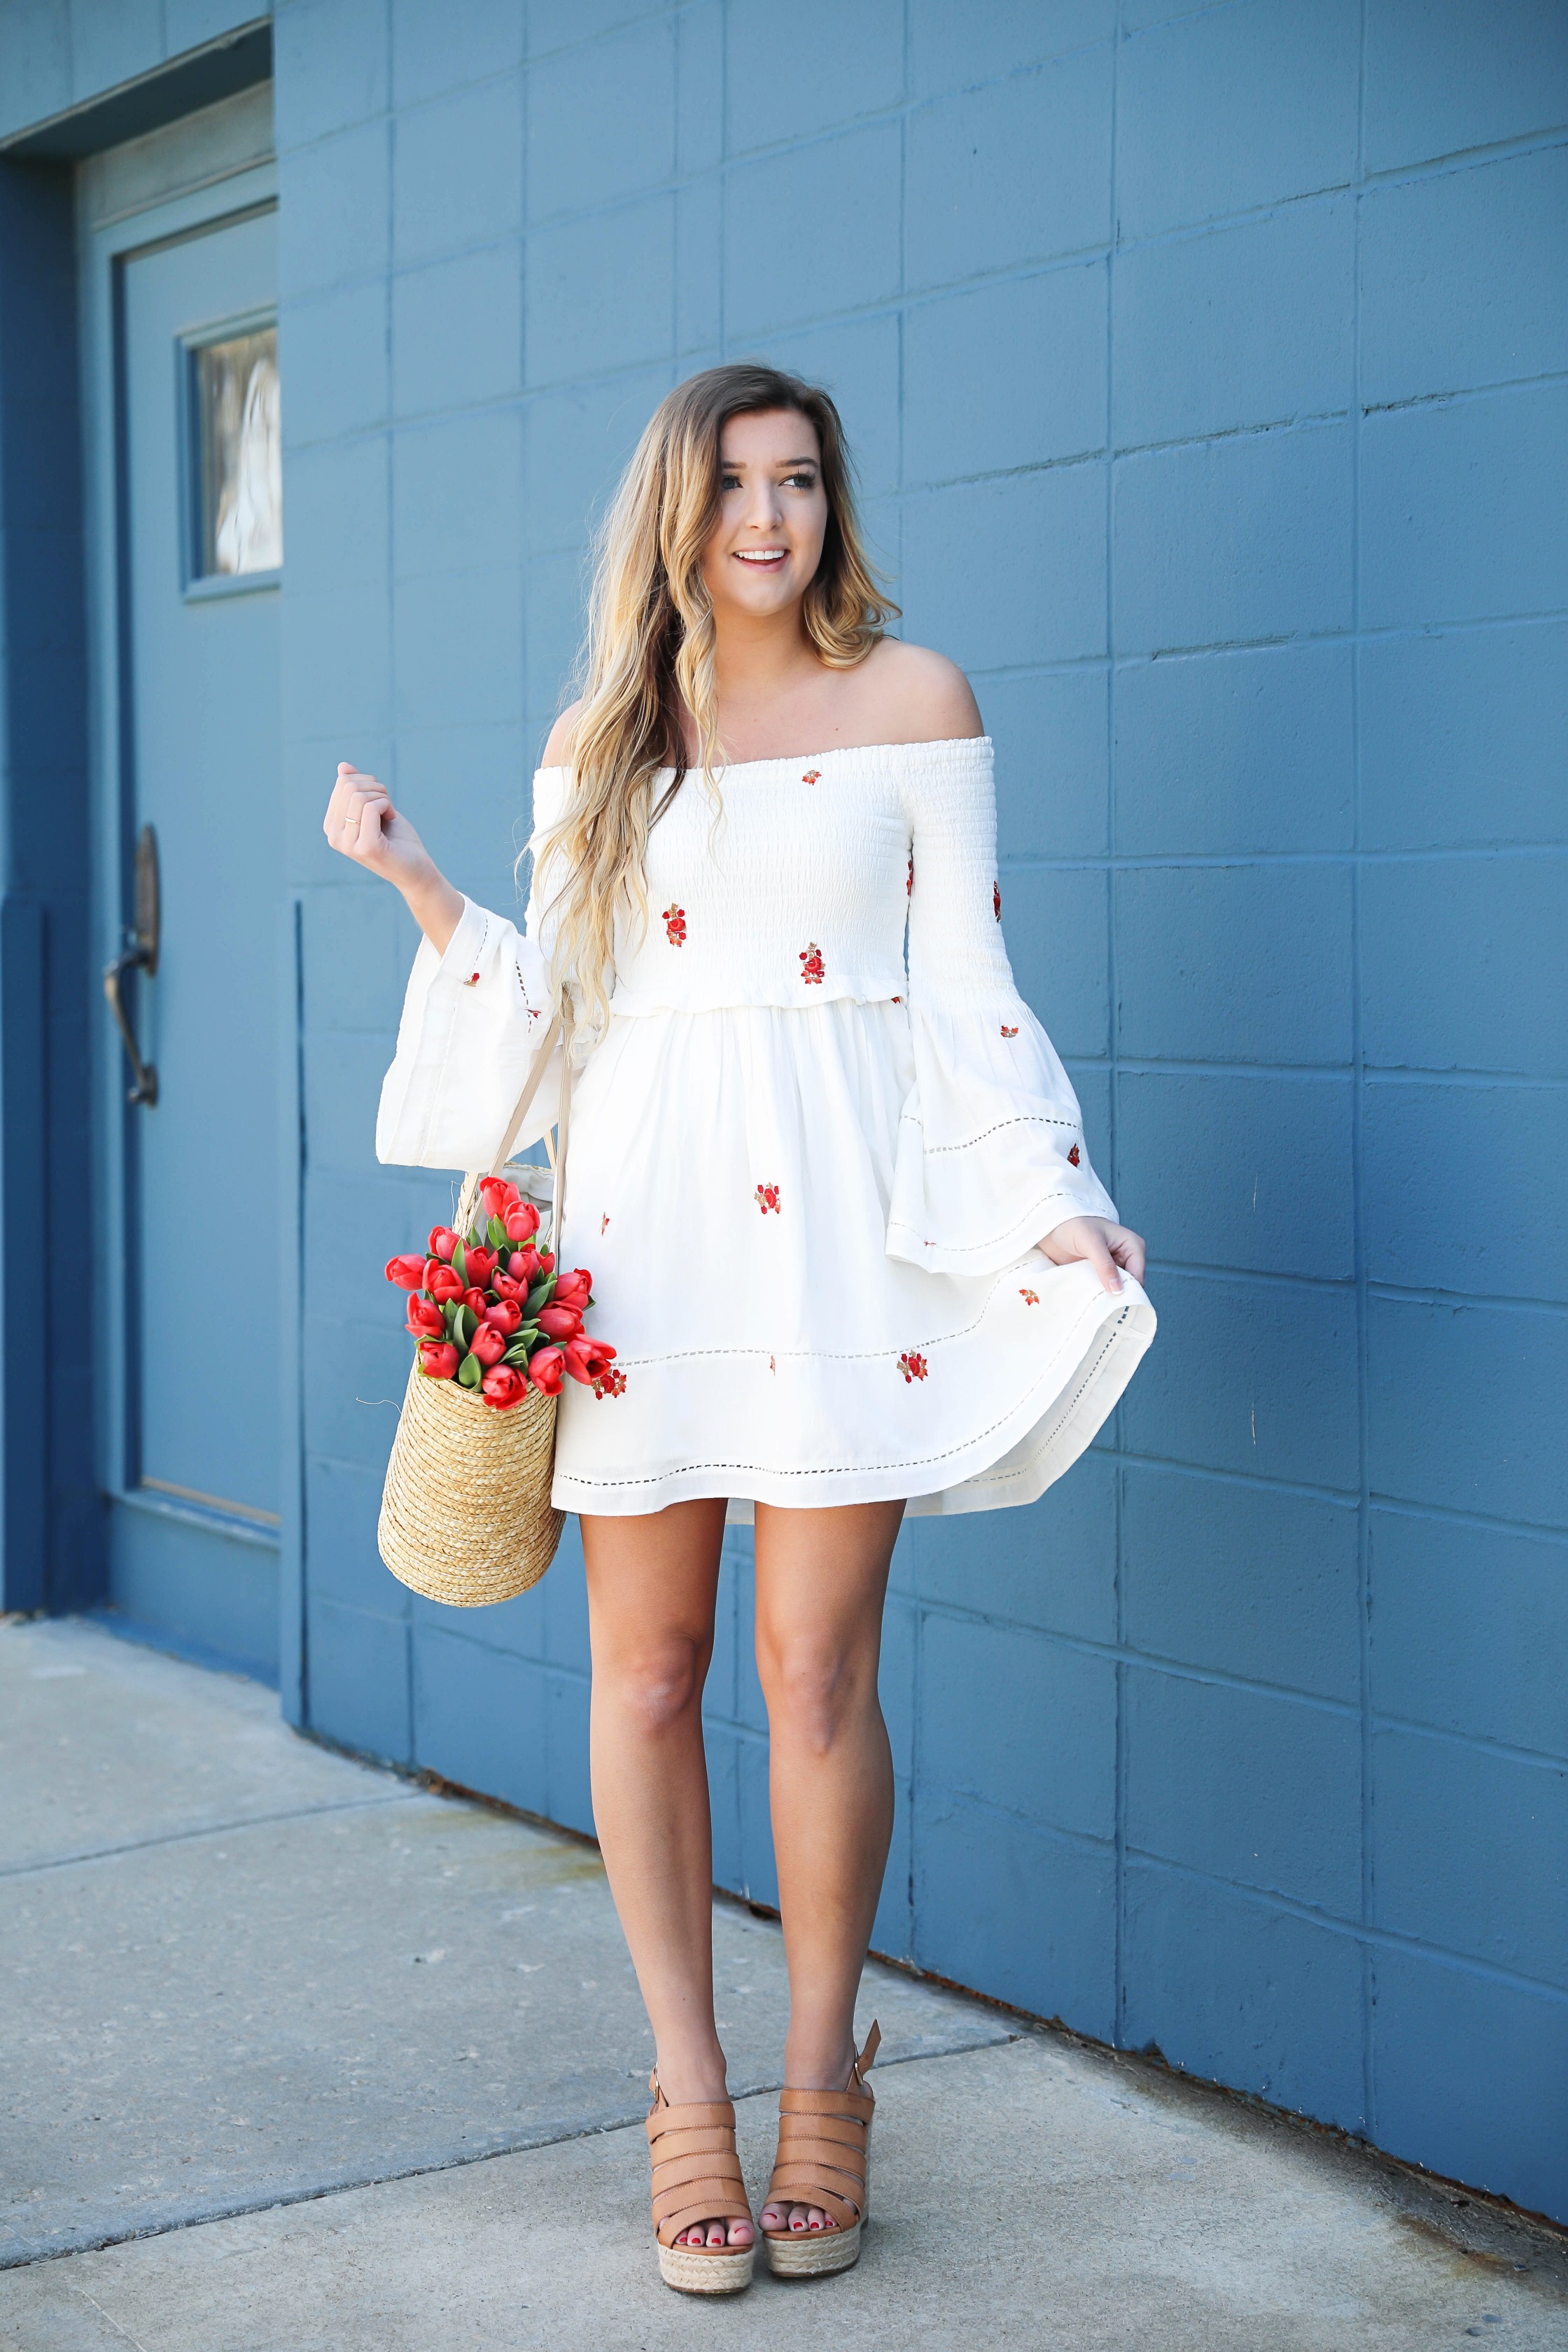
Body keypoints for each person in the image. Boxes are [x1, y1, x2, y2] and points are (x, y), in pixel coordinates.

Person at [323, 362, 1154, 2295]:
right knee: (645, 1672)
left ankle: (817, 2082)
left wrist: (1058, 1193)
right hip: (644, 1241)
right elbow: (555, 1021)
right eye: (729, 487)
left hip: (842, 1246)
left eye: (796, 482)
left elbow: (968, 990)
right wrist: (419, 883)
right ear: (673, 517)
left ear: (829, 505)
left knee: (814, 1677)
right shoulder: (602, 739)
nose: (765, 519)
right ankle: (683, 2088)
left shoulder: (916, 701)